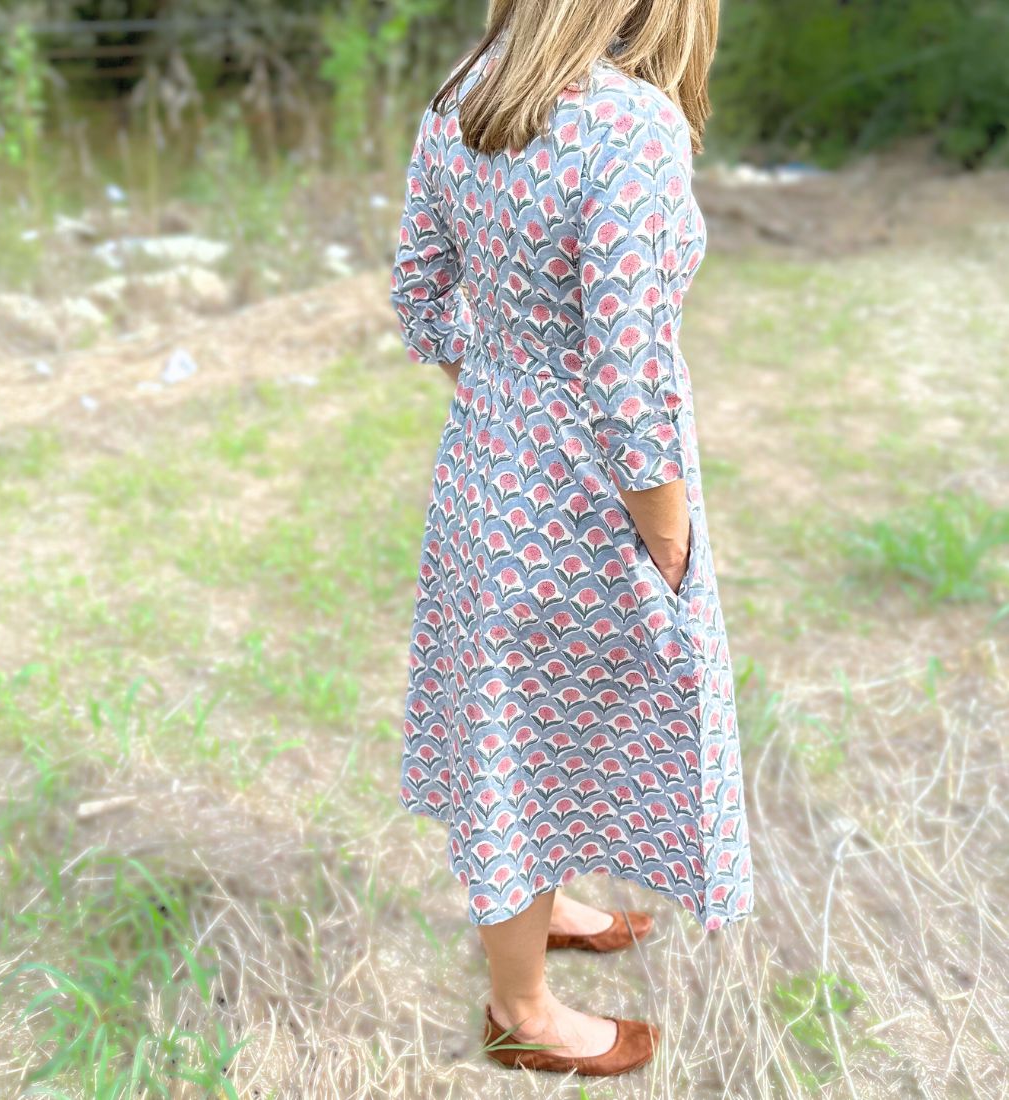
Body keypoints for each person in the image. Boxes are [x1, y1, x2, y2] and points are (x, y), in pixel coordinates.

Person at [389, 0, 753, 1077]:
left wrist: (503, 388)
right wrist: (670, 536)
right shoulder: (627, 125)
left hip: (484, 473)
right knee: (555, 710)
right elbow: (628, 375)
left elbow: (417, 299)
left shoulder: (457, 103)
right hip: (591, 492)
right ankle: (520, 1008)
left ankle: (535, 911)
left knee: (519, 714)